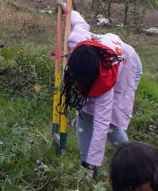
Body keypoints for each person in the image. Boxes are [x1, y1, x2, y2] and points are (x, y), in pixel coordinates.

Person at [59, 9, 142, 176]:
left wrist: (93, 162)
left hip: (128, 67)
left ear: (92, 77)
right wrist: (68, 10)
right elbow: (80, 23)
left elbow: (101, 125)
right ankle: (86, 163)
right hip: (106, 60)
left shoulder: (106, 84)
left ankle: (135, 163)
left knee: (110, 122)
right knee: (84, 113)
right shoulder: (76, 41)